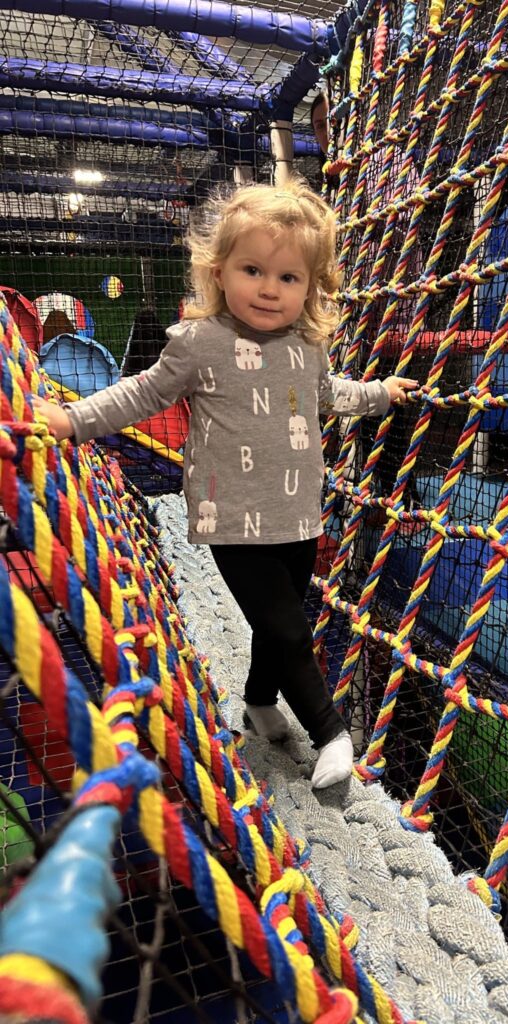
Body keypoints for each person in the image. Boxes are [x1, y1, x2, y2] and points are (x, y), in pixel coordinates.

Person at [33, 178, 419, 789]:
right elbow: (143, 392)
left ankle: (260, 704)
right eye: (253, 270)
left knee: (283, 620)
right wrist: (74, 420)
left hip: (296, 512)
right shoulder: (201, 342)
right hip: (232, 516)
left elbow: (331, 395)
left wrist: (380, 394)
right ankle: (332, 734)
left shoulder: (304, 346)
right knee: (288, 627)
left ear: (310, 289)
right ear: (219, 271)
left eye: (288, 278)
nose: (269, 288)